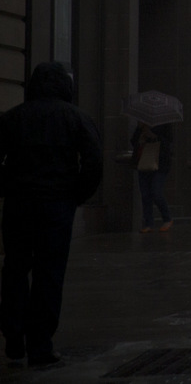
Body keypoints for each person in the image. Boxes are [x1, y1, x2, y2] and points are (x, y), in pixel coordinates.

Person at [0, 62, 103, 368]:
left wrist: (8, 186)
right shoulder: (77, 118)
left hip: (19, 203)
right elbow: (94, 163)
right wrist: (76, 195)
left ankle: (14, 338)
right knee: (49, 273)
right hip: (57, 205)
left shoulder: (14, 117)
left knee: (15, 269)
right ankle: (40, 345)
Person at [129, 121, 174, 232]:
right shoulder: (141, 125)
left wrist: (153, 136)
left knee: (156, 192)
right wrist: (140, 133)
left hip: (160, 163)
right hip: (144, 161)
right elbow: (133, 141)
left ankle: (167, 218)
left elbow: (169, 142)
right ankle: (148, 223)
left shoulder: (165, 124)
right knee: (145, 194)